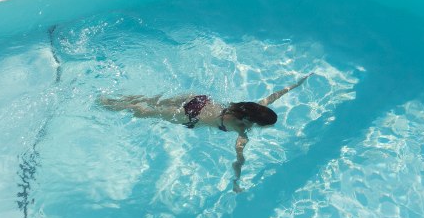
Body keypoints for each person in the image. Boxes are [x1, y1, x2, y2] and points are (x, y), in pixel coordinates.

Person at [99, 74, 310, 190]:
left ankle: (114, 97)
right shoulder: (242, 129)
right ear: (254, 122)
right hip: (191, 115)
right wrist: (236, 181)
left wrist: (296, 85)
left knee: (152, 101)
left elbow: (273, 97)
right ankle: (105, 104)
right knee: (145, 113)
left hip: (198, 99)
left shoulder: (251, 107)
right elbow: (239, 159)